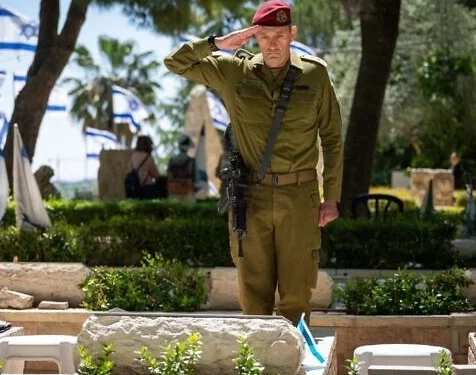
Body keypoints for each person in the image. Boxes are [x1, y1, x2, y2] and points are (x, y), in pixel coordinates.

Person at [164, 0, 343, 326]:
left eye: (279, 35)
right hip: (251, 196)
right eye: (264, 36)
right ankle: (260, 360)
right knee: (254, 292)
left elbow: (332, 138)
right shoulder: (234, 72)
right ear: (254, 37)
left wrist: (330, 197)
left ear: (292, 34)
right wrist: (218, 44)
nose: (272, 44)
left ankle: (293, 359)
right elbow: (175, 63)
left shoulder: (315, 75)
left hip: (300, 196)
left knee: (296, 293)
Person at [128, 135, 160, 199]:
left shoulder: (133, 156)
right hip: (147, 188)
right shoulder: (148, 158)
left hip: (134, 187)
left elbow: (129, 170)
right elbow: (156, 175)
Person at [167, 134, 196, 201]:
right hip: (187, 192)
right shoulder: (191, 161)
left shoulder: (171, 160)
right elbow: (195, 180)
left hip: (173, 192)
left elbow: (169, 177)